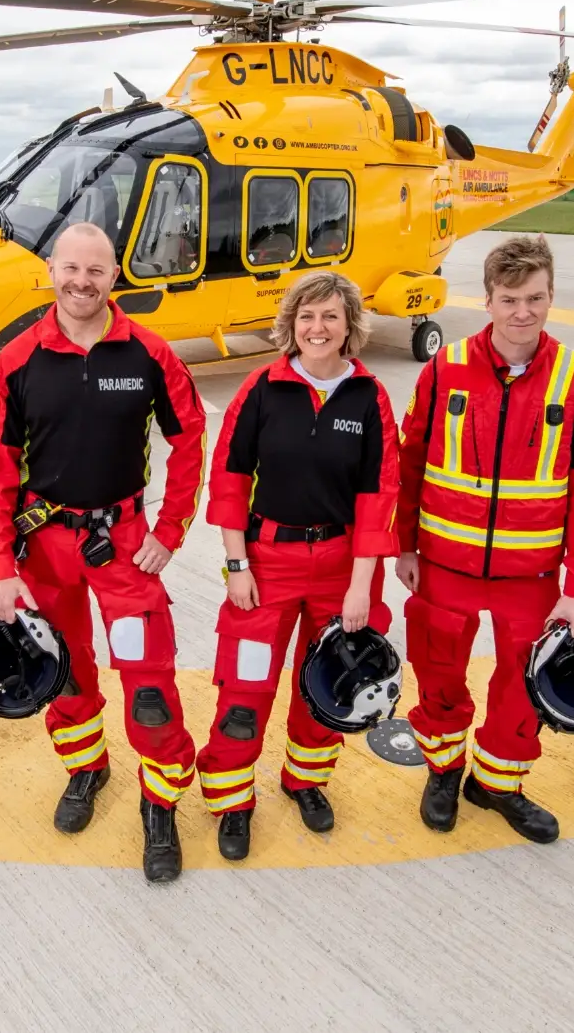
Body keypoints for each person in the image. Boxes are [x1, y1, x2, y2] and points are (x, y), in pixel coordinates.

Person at [0, 222, 206, 883]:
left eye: (96, 271)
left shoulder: (148, 353)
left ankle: (160, 804)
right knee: (66, 673)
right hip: (44, 548)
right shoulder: (17, 360)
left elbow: (190, 438)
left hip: (126, 548)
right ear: (52, 270)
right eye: (71, 269)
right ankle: (86, 769)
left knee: (150, 688)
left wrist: (170, 530)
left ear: (115, 276)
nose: (82, 282)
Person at [396, 234, 574, 844]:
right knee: (438, 674)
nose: (524, 312)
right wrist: (405, 545)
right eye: (510, 298)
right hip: (444, 564)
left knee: (523, 687)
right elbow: (410, 462)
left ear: (551, 297)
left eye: (536, 298)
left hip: (534, 577)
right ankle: (443, 771)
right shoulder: (445, 368)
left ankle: (498, 784)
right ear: (488, 300)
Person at [196, 271, 399, 861]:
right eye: (307, 317)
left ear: (349, 326)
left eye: (331, 317)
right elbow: (229, 482)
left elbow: (378, 496)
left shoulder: (369, 396)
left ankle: (304, 780)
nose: (318, 328)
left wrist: (361, 587)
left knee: (329, 685)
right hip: (267, 563)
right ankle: (232, 801)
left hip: (341, 569)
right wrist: (237, 564)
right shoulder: (262, 388)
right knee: (245, 685)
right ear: (291, 324)